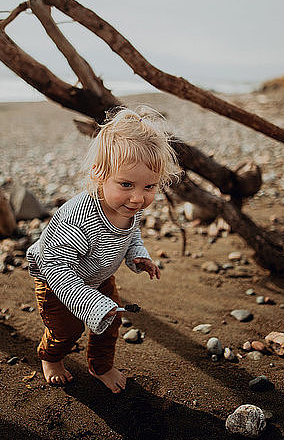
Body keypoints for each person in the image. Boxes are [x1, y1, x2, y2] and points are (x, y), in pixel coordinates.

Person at [26, 106, 182, 393]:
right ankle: (50, 356)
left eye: (149, 186)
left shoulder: (126, 206)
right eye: (126, 184)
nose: (138, 198)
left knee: (111, 322)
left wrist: (138, 256)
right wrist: (91, 304)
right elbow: (57, 269)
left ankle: (100, 366)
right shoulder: (79, 218)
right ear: (100, 174)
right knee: (67, 331)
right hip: (55, 281)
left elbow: (130, 233)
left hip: (97, 277)